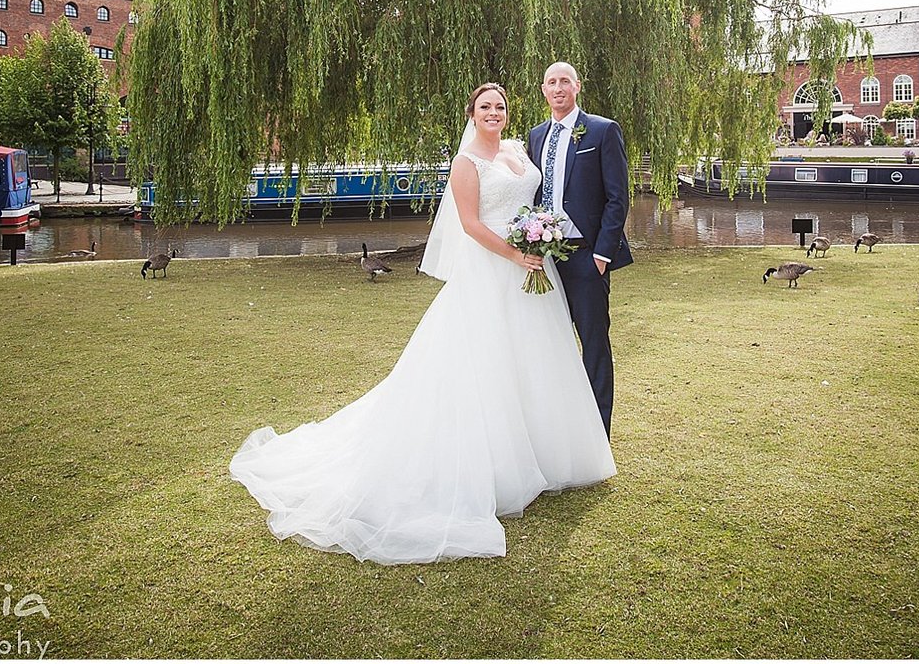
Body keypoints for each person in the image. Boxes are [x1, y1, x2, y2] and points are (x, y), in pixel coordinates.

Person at [229, 82, 615, 564]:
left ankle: (546, 453)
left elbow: (537, 201)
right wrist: (517, 252)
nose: (493, 113)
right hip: (494, 269)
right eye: (484, 107)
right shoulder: (466, 162)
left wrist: (539, 239)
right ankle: (494, 467)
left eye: (500, 107)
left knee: (534, 360)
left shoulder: (519, 150)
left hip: (534, 268)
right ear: (471, 114)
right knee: (485, 363)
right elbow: (472, 225)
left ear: (508, 114)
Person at [528, 62, 632, 436]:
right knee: (548, 343)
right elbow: (536, 194)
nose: (558, 88)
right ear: (543, 90)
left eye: (564, 82)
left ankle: (597, 435)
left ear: (577, 87)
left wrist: (602, 255)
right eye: (551, 82)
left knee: (594, 346)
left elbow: (618, 198)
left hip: (587, 257)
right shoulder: (536, 135)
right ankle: (560, 432)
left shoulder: (603, 131)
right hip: (546, 259)